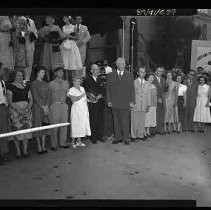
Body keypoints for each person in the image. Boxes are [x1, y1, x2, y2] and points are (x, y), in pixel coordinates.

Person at [106, 57, 135, 145]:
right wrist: (109, 100)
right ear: (117, 65)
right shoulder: (110, 75)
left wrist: (132, 101)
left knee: (125, 121)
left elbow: (132, 89)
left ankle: (126, 138)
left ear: (125, 65)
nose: (122, 65)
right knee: (116, 121)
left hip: (126, 102)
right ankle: (117, 138)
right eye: (120, 64)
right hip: (114, 102)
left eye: (123, 64)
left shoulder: (130, 75)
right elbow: (108, 89)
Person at [6, 69, 33, 159]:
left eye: (21, 75)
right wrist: (19, 110)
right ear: (14, 76)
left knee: (26, 130)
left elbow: (31, 99)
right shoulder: (10, 86)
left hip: (26, 111)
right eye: (18, 75)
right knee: (16, 131)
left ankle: (25, 151)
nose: (20, 77)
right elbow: (9, 101)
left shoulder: (26, 86)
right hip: (15, 112)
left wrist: (28, 107)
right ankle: (18, 151)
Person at [48, 67, 70, 150]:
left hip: (64, 105)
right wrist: (48, 107)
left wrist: (66, 105)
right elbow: (48, 97)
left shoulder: (66, 84)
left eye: (62, 71)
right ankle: (54, 145)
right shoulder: (51, 84)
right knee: (54, 126)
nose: (61, 73)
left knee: (64, 125)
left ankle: (62, 143)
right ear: (55, 73)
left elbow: (68, 95)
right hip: (54, 105)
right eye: (59, 71)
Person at [83, 64, 105, 144]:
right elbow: (85, 92)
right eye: (95, 69)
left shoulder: (100, 79)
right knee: (93, 121)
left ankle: (100, 136)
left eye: (98, 69)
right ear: (91, 71)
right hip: (92, 103)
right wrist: (91, 99)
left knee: (100, 120)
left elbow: (103, 90)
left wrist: (101, 95)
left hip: (100, 103)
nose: (97, 71)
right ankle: (93, 138)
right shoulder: (87, 80)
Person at [31, 66, 50, 154]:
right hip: (37, 107)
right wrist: (42, 106)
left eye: (44, 72)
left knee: (44, 126)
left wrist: (46, 106)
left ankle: (43, 145)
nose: (44, 74)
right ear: (37, 73)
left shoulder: (46, 84)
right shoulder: (33, 83)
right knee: (37, 126)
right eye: (42, 72)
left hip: (46, 107)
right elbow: (35, 96)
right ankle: (39, 146)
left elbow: (48, 96)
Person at [67, 77, 91, 148]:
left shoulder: (82, 88)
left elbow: (85, 98)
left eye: (79, 81)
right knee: (75, 124)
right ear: (73, 82)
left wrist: (92, 100)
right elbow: (73, 99)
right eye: (77, 81)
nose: (78, 83)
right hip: (76, 109)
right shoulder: (71, 89)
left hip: (83, 109)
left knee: (81, 124)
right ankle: (72, 142)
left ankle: (79, 141)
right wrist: (81, 95)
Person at [38, 16, 63, 81]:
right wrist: (47, 38)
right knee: (46, 61)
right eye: (46, 19)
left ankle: (56, 78)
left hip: (55, 45)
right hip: (47, 46)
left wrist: (56, 39)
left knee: (56, 61)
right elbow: (40, 34)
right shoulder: (44, 28)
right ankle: (48, 78)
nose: (47, 21)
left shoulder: (57, 27)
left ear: (52, 20)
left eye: (48, 19)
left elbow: (61, 36)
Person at [131, 67, 151, 141]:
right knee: (134, 121)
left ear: (145, 73)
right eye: (141, 72)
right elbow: (131, 94)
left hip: (144, 105)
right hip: (135, 105)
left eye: (143, 72)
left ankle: (140, 135)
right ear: (138, 73)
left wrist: (148, 105)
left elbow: (148, 94)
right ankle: (133, 136)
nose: (142, 73)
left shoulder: (147, 83)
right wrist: (131, 103)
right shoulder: (133, 82)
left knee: (142, 122)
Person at [60, 16, 82, 82]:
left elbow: (77, 37)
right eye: (63, 18)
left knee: (72, 61)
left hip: (72, 44)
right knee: (65, 60)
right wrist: (63, 37)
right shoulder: (63, 27)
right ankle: (66, 79)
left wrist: (70, 36)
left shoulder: (74, 27)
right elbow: (61, 37)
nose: (63, 19)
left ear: (68, 18)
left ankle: (73, 79)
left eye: (65, 18)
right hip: (65, 44)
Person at [19, 16, 38, 82]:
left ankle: (27, 80)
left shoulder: (31, 22)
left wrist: (31, 34)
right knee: (21, 64)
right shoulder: (19, 20)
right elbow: (18, 33)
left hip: (30, 47)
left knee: (29, 63)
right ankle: (20, 79)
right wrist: (24, 33)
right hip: (20, 47)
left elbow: (36, 35)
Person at [153, 65, 167, 135]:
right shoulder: (152, 79)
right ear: (155, 71)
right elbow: (151, 90)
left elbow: (164, 90)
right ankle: (153, 130)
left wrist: (163, 98)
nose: (160, 73)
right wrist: (158, 97)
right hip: (154, 100)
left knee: (160, 114)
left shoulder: (163, 80)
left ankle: (159, 129)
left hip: (161, 100)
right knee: (154, 115)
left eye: (161, 71)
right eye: (159, 71)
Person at [0, 62, 10, 165]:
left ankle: (3, 153)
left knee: (4, 131)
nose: (3, 70)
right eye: (1, 68)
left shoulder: (2, 82)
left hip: (3, 108)